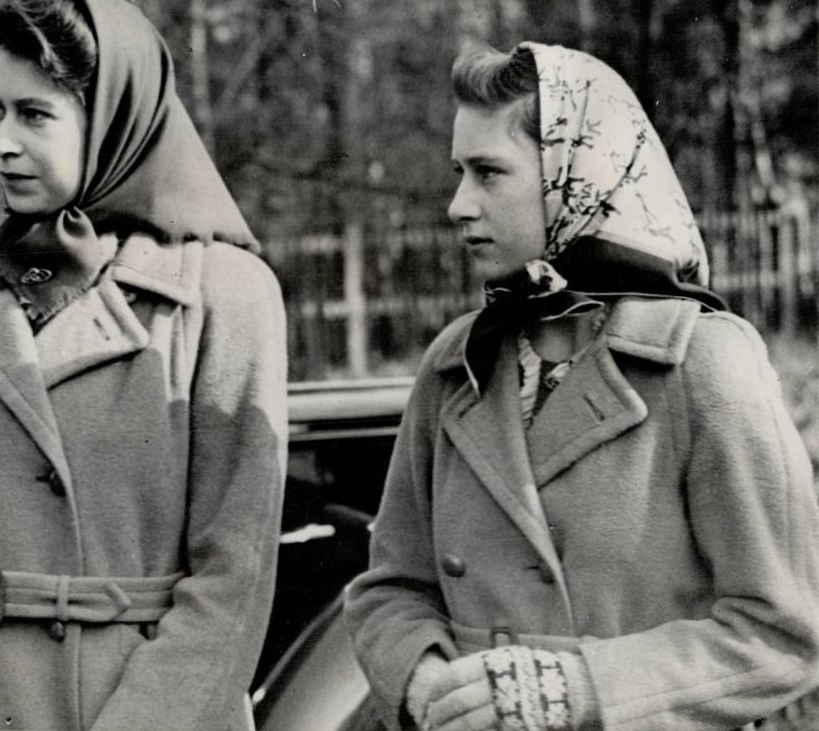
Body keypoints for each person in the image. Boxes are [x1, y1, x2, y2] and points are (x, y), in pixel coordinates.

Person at [344, 41, 819, 731]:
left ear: (575, 176)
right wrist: (422, 679)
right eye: (457, 172)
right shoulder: (456, 362)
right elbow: (390, 588)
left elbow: (785, 631)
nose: (457, 204)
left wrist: (575, 689)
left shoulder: (704, 363)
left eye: (488, 173)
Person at [0, 0, 287, 731]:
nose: (0, 141)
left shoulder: (223, 293)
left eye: (33, 114)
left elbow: (232, 583)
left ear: (112, 121)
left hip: (138, 709)